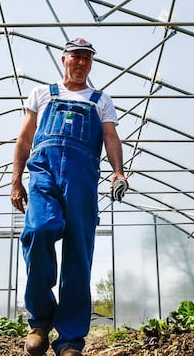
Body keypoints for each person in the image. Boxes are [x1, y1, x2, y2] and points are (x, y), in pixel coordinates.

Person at [11, 38, 128, 356]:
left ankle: (70, 339)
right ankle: (40, 322)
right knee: (39, 230)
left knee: (79, 252)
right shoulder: (42, 94)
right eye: (75, 57)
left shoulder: (100, 100)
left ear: (91, 63)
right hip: (44, 171)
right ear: (64, 59)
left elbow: (110, 136)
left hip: (82, 178)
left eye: (87, 58)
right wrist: (16, 180)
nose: (81, 62)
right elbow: (25, 137)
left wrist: (118, 172)